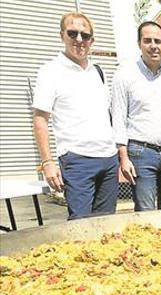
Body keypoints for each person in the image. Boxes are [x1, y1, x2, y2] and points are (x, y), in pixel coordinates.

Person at [32, 12, 118, 220]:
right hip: (77, 160)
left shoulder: (98, 72)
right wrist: (47, 162)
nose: (79, 40)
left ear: (92, 41)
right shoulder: (50, 71)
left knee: (106, 224)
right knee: (80, 225)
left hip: (108, 159)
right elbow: (40, 119)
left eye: (85, 35)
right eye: (73, 33)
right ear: (62, 35)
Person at [112, 21, 161, 211]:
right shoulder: (124, 75)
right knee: (145, 213)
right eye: (148, 41)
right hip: (141, 154)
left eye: (158, 41)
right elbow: (118, 118)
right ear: (139, 44)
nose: (153, 46)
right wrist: (123, 158)